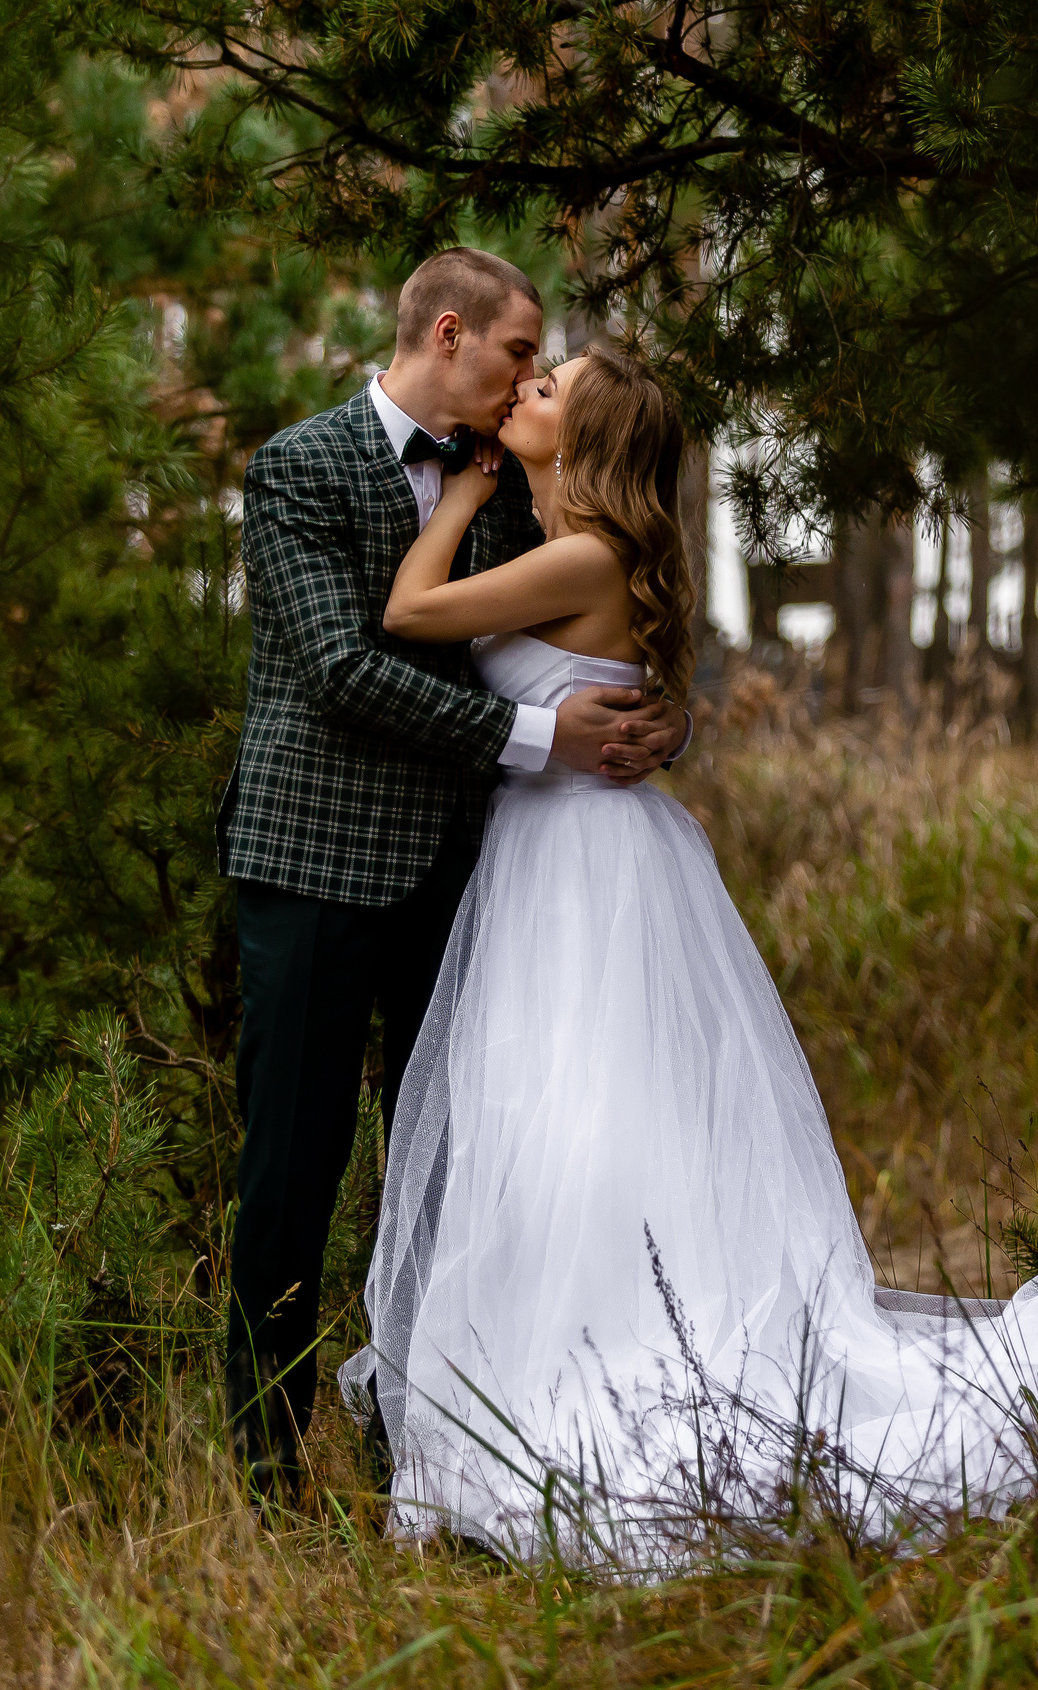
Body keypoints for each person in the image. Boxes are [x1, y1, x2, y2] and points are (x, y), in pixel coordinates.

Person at [342, 344, 1038, 1565]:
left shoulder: (581, 555)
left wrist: (468, 491)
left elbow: (411, 613)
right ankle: (532, 1376)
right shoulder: (585, 553)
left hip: (580, 867)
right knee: (555, 1125)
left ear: (583, 449)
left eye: (549, 392)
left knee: (579, 1122)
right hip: (563, 852)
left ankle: (586, 1383)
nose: (524, 392)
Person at [215, 249, 692, 1507]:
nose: (532, 373)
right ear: (448, 333)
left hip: (476, 884)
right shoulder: (301, 468)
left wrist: (656, 724)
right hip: (314, 867)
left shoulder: (527, 491)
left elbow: (612, 613)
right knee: (293, 1173)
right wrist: (548, 739)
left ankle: (424, 1450)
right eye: (522, 352)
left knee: (449, 1171)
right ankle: (268, 1472)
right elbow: (342, 671)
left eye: (542, 362)